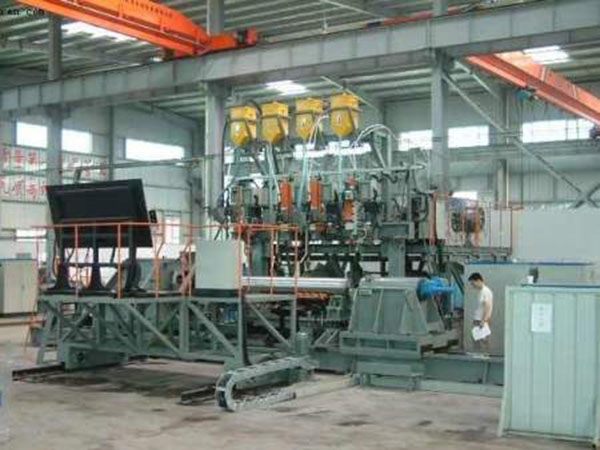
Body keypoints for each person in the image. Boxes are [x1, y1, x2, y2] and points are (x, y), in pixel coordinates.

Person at [468, 272, 493, 355]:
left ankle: (484, 355)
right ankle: (479, 355)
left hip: (481, 320)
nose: (473, 286)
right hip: (479, 319)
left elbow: (487, 306)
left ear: (478, 280)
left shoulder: (485, 291)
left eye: (473, 283)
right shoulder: (481, 291)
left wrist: (483, 320)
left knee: (483, 339)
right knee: (477, 339)